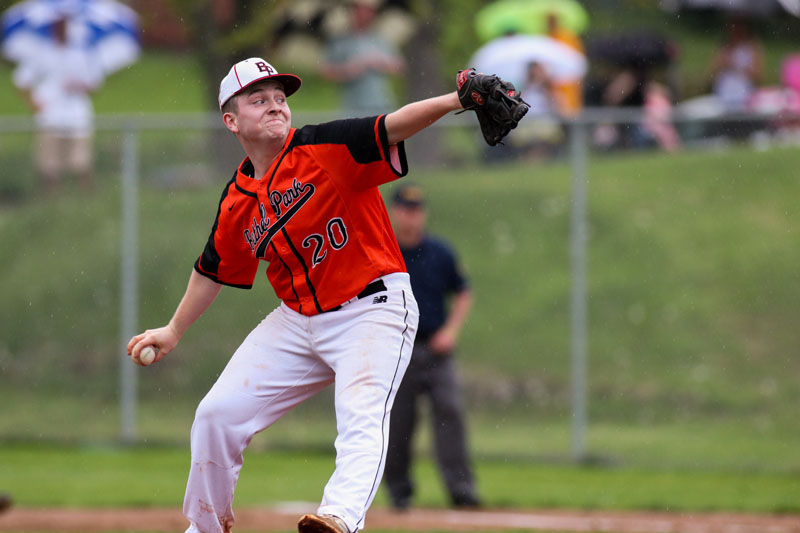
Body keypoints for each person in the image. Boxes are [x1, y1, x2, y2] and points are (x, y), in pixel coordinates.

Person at [127, 57, 472, 533]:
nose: (275, 106)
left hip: (372, 309)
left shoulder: (322, 147)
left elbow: (393, 125)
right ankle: (206, 528)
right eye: (259, 100)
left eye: (279, 99)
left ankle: (339, 519)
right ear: (231, 121)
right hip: (298, 319)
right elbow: (213, 269)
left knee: (360, 416)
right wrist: (173, 329)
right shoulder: (239, 198)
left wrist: (459, 100)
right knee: (216, 415)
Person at [383, 183, 480, 511]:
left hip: (436, 348)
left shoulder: (440, 251)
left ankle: (462, 490)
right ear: (395, 212)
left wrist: (451, 330)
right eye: (406, 209)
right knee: (398, 424)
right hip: (398, 352)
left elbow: (463, 291)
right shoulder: (383, 252)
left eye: (417, 209)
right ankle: (400, 493)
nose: (412, 216)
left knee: (450, 413)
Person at [13, 15, 103, 193]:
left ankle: (87, 205)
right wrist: (34, 104)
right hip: (50, 117)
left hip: (78, 116)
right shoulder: (42, 52)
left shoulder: (82, 53)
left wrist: (78, 85)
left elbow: (94, 84)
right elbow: (22, 80)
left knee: (82, 165)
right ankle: (52, 207)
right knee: (49, 167)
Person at [320, 0, 406, 115]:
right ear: (352, 11)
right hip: (353, 108)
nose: (367, 14)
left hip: (382, 106)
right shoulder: (340, 41)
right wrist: (348, 70)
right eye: (363, 10)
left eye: (371, 11)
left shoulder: (381, 40)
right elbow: (325, 72)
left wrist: (380, 62)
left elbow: (399, 67)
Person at [710, 15, 764, 113]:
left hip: (743, 98)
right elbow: (712, 73)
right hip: (723, 97)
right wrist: (723, 63)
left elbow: (758, 75)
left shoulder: (752, 48)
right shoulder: (724, 47)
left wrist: (736, 66)